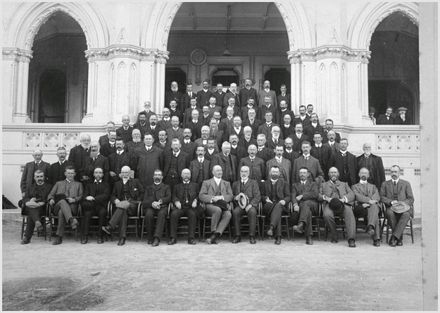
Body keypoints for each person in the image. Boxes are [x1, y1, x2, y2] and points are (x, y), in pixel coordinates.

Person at [102, 166, 144, 246]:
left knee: (124, 205)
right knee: (123, 212)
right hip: (121, 206)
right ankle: (122, 238)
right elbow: (112, 195)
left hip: (133, 205)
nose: (125, 174)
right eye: (123, 172)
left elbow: (142, 192)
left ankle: (110, 226)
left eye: (126, 172)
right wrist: (115, 200)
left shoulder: (136, 181)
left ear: (129, 173)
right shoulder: (117, 183)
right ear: (121, 173)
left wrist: (138, 200)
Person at [320, 167, 356, 247]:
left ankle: (351, 239)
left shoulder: (344, 184)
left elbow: (352, 194)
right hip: (329, 204)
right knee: (327, 215)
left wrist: (344, 199)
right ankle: (334, 234)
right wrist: (326, 198)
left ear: (338, 174)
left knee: (349, 213)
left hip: (342, 204)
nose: (333, 174)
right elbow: (318, 195)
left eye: (335, 172)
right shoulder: (324, 185)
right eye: (331, 172)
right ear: (328, 174)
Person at [47, 166, 83, 245]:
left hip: (72, 207)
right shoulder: (58, 183)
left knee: (61, 212)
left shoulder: (79, 184)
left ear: (75, 174)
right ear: (65, 174)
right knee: (62, 201)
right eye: (68, 173)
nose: (70, 175)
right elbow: (50, 194)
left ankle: (59, 237)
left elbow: (81, 196)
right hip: (57, 206)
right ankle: (72, 220)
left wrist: (74, 199)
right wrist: (51, 199)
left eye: (72, 173)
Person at [380, 165, 414, 247]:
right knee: (390, 213)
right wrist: (391, 202)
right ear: (390, 173)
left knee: (406, 214)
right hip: (391, 208)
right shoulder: (385, 184)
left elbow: (411, 198)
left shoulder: (406, 184)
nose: (393, 173)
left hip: (404, 208)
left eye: (395, 172)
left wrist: (402, 203)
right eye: (392, 172)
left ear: (399, 173)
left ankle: (394, 237)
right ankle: (399, 238)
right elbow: (381, 197)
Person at [199, 165, 234, 244]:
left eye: (221, 170)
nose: (220, 172)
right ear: (213, 172)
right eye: (217, 171)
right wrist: (212, 198)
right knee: (217, 210)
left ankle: (215, 235)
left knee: (228, 214)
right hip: (210, 206)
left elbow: (231, 196)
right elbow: (201, 195)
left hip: (223, 205)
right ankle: (213, 231)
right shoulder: (206, 182)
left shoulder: (226, 183)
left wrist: (222, 197)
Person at [169, 169, 204, 245]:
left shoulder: (195, 185)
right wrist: (176, 201)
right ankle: (173, 238)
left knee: (192, 214)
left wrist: (196, 200)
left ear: (190, 175)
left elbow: (199, 195)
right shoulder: (177, 186)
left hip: (191, 207)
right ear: (181, 175)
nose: (186, 175)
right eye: (184, 174)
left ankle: (191, 238)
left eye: (188, 174)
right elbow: (173, 196)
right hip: (180, 207)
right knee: (174, 214)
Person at [20, 170, 52, 244]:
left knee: (31, 213)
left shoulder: (49, 186)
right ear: (34, 178)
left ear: (44, 177)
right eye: (37, 177)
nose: (39, 178)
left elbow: (49, 197)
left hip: (43, 208)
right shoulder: (30, 187)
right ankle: (37, 221)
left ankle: (27, 238)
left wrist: (40, 203)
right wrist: (30, 201)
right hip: (30, 206)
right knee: (32, 208)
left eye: (41, 176)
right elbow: (25, 198)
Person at [261, 166, 291, 245]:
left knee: (278, 208)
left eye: (276, 172)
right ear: (270, 173)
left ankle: (273, 230)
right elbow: (261, 195)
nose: (275, 173)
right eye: (273, 172)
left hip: (281, 206)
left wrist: (284, 200)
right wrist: (265, 198)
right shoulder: (264, 183)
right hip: (268, 206)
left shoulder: (284, 183)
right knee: (277, 211)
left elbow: (288, 196)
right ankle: (277, 235)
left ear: (279, 173)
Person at [80, 167, 111, 244]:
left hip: (101, 206)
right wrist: (87, 197)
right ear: (93, 174)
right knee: (87, 214)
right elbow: (85, 195)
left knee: (102, 213)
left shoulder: (106, 184)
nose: (98, 174)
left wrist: (93, 198)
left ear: (103, 174)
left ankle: (100, 236)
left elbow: (106, 196)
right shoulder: (89, 184)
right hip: (90, 207)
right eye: (96, 172)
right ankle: (85, 236)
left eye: (100, 173)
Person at [352, 168, 381, 247]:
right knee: (374, 211)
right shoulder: (354, 186)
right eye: (362, 173)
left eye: (365, 173)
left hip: (372, 207)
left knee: (374, 208)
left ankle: (371, 228)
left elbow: (377, 196)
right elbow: (357, 196)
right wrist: (369, 201)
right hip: (361, 208)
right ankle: (376, 238)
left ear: (368, 175)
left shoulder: (373, 186)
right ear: (359, 174)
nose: (364, 174)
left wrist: (370, 203)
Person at [231, 166, 261, 244]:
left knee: (252, 212)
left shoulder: (253, 183)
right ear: (240, 172)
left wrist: (251, 204)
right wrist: (235, 197)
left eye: (245, 172)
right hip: (239, 205)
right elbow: (232, 196)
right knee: (235, 212)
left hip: (250, 205)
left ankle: (252, 236)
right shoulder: (235, 183)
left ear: (249, 173)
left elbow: (257, 196)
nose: (243, 173)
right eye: (242, 171)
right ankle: (238, 236)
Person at [142, 169, 171, 246]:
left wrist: (160, 202)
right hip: (151, 207)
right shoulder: (148, 187)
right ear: (153, 177)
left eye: (159, 175)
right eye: (156, 175)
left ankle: (156, 238)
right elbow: (144, 201)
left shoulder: (166, 187)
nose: (157, 176)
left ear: (162, 177)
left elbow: (168, 197)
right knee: (148, 214)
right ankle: (150, 237)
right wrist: (152, 204)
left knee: (161, 214)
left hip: (162, 207)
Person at [291, 167, 319, 245]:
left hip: (313, 205)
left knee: (306, 204)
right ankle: (308, 236)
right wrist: (295, 204)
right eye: (301, 173)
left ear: (308, 174)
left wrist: (302, 196)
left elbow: (315, 194)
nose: (302, 174)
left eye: (304, 173)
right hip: (301, 207)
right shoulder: (295, 185)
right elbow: (293, 196)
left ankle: (301, 225)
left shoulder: (313, 184)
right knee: (308, 213)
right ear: (299, 174)